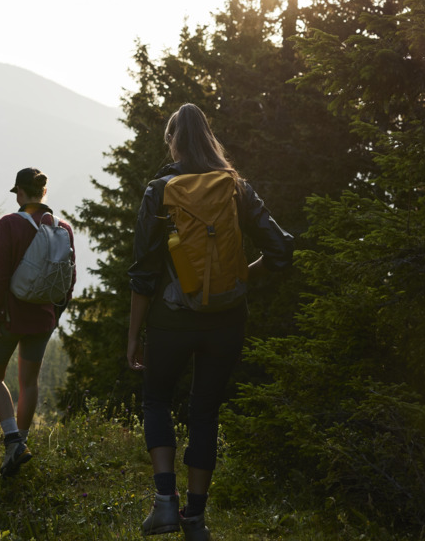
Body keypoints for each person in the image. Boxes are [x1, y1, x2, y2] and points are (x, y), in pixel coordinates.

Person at [126, 104, 295, 540]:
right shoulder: (236, 187)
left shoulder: (159, 190)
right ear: (209, 138)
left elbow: (143, 275)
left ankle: (165, 504)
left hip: (171, 319)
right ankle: (195, 519)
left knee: (157, 400)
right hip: (227, 319)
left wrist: (133, 338)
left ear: (173, 141)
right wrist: (241, 275)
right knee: (205, 412)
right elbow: (280, 249)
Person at [0, 166, 76, 477]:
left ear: (20, 193)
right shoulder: (63, 228)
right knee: (29, 382)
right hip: (43, 317)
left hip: (10, 315)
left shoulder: (10, 224)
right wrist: (56, 314)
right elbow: (69, 278)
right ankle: (20, 444)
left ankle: (12, 441)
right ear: (44, 193)